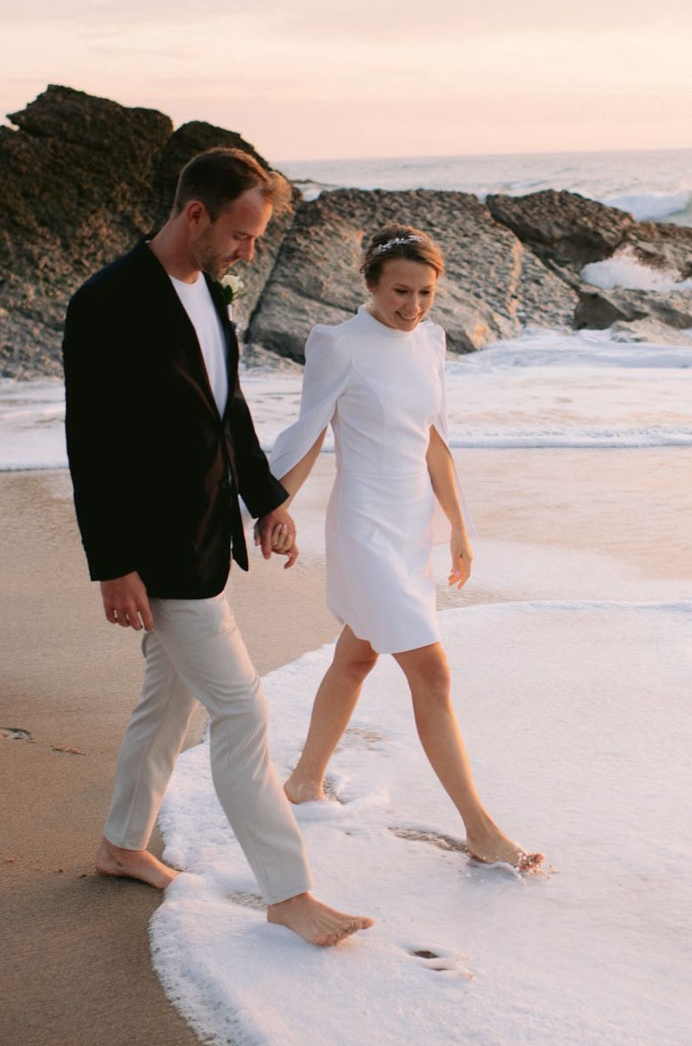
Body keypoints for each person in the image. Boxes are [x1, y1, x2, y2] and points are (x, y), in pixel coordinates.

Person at [62, 147, 373, 946]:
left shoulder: (212, 293)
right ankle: (289, 891)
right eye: (241, 234)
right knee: (241, 709)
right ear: (194, 214)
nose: (250, 252)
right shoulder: (108, 302)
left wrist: (266, 501)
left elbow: (225, 410)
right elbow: (90, 445)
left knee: (166, 703)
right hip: (155, 550)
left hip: (206, 535)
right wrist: (114, 566)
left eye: (257, 237)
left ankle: (121, 844)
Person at [267, 223, 543, 874]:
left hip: (412, 522)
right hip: (363, 525)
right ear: (369, 282)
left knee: (358, 656)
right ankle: (481, 829)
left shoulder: (431, 342)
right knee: (433, 673)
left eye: (425, 293)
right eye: (399, 292)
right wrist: (274, 505)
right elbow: (309, 433)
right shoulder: (339, 344)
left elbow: (435, 441)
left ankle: (305, 781)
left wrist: (460, 524)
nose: (412, 306)